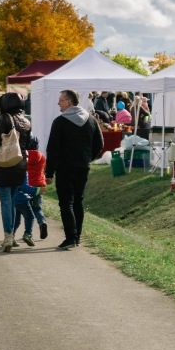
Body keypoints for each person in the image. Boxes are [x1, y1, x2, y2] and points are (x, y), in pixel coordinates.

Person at [45, 89, 103, 250]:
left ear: (69, 101)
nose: (58, 103)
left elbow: (53, 149)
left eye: (61, 100)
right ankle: (76, 237)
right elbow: (99, 144)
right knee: (78, 201)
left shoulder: (60, 122)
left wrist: (49, 172)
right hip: (82, 166)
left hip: (65, 166)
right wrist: (87, 158)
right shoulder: (91, 120)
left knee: (66, 203)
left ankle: (71, 236)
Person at [0, 92, 32, 252]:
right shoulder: (26, 121)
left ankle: (8, 235)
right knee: (13, 200)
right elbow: (27, 142)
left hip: (4, 162)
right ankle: (12, 236)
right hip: (20, 162)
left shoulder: (5, 118)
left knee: (5, 201)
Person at [13, 135, 48, 246]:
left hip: (25, 185)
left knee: (18, 214)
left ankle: (12, 235)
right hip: (38, 184)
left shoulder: (22, 158)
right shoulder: (42, 157)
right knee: (37, 208)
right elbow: (44, 169)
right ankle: (42, 222)